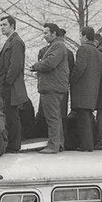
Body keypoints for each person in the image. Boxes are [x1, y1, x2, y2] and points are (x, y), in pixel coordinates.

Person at [30, 22, 69, 154]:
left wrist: (37, 65)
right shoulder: (56, 45)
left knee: (52, 117)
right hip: (54, 86)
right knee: (56, 116)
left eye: (46, 32)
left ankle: (53, 146)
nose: (44, 35)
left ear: (54, 33)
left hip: (52, 87)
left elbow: (50, 63)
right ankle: (59, 143)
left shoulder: (58, 45)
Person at [0, 14, 28, 153]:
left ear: (12, 26)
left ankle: (14, 145)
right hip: (8, 85)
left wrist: (6, 82)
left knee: (12, 115)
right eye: (1, 25)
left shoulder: (16, 42)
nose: (2, 27)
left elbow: (15, 65)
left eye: (4, 25)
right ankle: (13, 144)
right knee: (10, 114)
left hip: (11, 86)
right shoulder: (11, 41)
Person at [70, 26, 102, 151]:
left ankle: (86, 145)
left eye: (80, 36)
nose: (80, 38)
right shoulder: (98, 53)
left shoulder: (83, 49)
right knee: (88, 117)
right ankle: (90, 144)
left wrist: (71, 80)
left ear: (85, 36)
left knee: (83, 118)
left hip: (81, 90)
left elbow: (79, 68)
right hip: (93, 90)